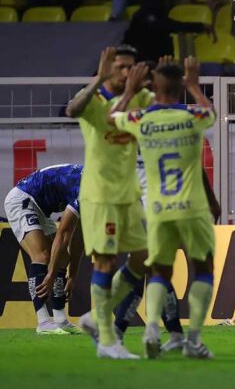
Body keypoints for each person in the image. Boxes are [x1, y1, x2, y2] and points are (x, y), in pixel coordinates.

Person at [109, 57, 217, 359]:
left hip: (156, 209)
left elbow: (111, 116)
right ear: (182, 84)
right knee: (204, 268)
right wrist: (194, 86)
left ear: (154, 86)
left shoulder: (141, 119)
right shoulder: (194, 116)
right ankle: (193, 340)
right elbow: (212, 112)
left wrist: (129, 91)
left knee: (158, 270)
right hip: (193, 208)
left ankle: (152, 329)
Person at [65, 45, 154, 359]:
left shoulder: (140, 96)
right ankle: (106, 340)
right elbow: (71, 110)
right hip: (100, 194)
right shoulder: (94, 99)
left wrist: (146, 86)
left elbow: (152, 116)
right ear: (108, 69)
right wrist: (98, 80)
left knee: (144, 258)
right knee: (104, 261)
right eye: (121, 67)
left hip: (129, 193)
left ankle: (94, 315)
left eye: (131, 67)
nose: (127, 72)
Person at [3, 164, 84, 335]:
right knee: (42, 256)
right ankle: (43, 322)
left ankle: (60, 320)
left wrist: (74, 275)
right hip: (22, 199)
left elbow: (79, 235)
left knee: (62, 258)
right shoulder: (87, 190)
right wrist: (50, 275)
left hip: (40, 208)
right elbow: (63, 234)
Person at [122, 0, 214, 63]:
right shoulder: (145, 16)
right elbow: (173, 26)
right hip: (150, 61)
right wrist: (200, 27)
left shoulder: (141, 14)